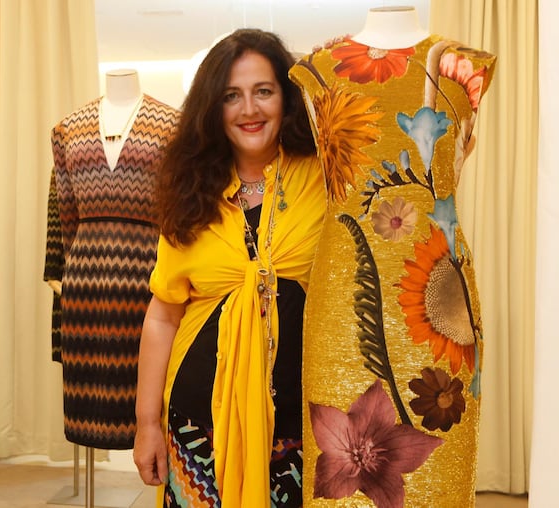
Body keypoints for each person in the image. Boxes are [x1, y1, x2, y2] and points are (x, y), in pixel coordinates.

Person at [289, 6, 496, 507]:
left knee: (439, 475)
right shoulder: (314, 68)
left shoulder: (464, 65)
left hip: (441, 301)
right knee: (342, 478)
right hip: (341, 300)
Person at [133, 29, 326, 507]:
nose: (249, 110)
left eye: (264, 91)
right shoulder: (189, 195)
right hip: (198, 429)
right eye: (231, 96)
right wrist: (146, 424)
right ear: (212, 109)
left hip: (304, 430)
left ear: (287, 96)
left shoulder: (326, 178)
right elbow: (163, 315)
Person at [43, 69, 180, 451]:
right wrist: (71, 267)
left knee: (151, 392)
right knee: (89, 400)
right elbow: (64, 211)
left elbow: (179, 209)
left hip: (150, 272)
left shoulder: (172, 126)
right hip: (85, 277)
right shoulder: (67, 129)